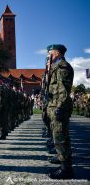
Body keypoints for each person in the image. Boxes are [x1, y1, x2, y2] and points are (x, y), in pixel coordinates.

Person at [46, 44, 74, 179]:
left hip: (59, 106)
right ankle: (65, 165)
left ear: (56, 53)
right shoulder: (57, 66)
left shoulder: (63, 67)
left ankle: (66, 170)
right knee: (61, 136)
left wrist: (59, 107)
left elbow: (63, 90)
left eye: (51, 53)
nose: (49, 55)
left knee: (60, 137)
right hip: (56, 105)